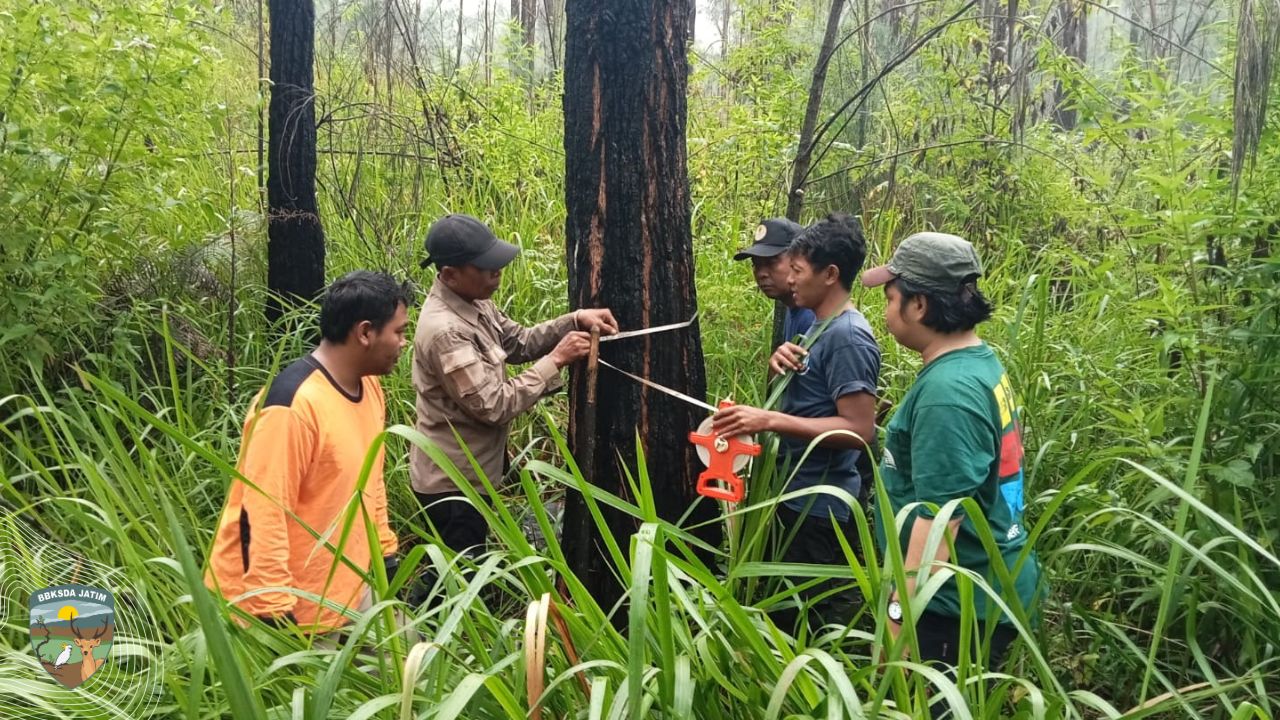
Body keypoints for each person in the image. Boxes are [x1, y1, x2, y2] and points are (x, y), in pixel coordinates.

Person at [861, 232, 1041, 670]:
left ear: (918, 305)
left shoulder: (948, 393)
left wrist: (896, 628)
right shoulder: (978, 362)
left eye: (889, 298)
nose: (885, 312)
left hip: (956, 612)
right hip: (980, 591)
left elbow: (938, 525)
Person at [205, 270, 411, 632]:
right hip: (290, 606)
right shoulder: (292, 407)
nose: (404, 342)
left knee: (419, 666)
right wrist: (273, 610)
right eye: (398, 331)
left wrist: (385, 553)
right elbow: (263, 512)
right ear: (365, 333)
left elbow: (371, 481)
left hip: (350, 585)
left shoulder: (372, 388)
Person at [411, 213, 618, 556]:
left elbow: (518, 342)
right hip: (452, 484)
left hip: (473, 475)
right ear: (450, 274)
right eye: (485, 267)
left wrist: (575, 319)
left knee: (461, 568)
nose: (497, 273)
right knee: (456, 580)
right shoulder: (446, 331)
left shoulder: (474, 300)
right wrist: (557, 360)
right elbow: (493, 405)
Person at [712, 213, 881, 632]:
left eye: (798, 271)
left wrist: (768, 419)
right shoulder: (817, 326)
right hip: (794, 497)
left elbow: (860, 431)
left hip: (820, 506)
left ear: (829, 275)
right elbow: (807, 394)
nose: (790, 281)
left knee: (811, 622)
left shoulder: (848, 336)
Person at [733, 217, 815, 345]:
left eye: (771, 261)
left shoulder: (812, 318)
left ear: (799, 260)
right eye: (756, 264)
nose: (761, 273)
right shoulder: (794, 308)